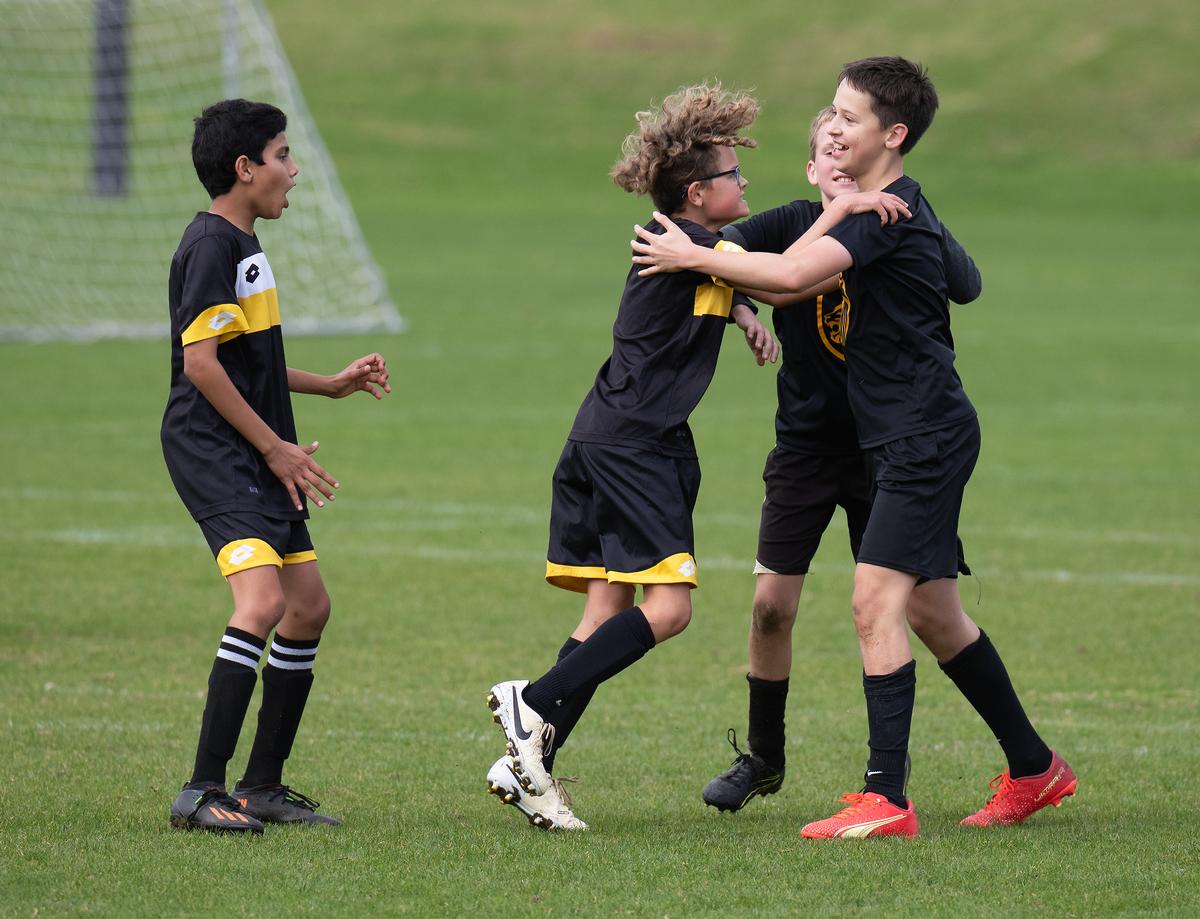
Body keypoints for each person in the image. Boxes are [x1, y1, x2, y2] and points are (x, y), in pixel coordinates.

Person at [632, 58, 1075, 838]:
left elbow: (798, 272)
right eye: (829, 114)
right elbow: (962, 283)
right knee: (936, 613)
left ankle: (886, 798)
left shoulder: (881, 212)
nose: (832, 127)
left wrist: (695, 257)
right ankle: (1035, 768)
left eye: (849, 117)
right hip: (896, 434)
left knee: (874, 600)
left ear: (893, 135)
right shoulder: (892, 205)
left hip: (919, 436)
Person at [484, 84, 906, 831]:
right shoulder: (683, 243)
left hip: (603, 435)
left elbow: (737, 280)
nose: (745, 184)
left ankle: (532, 767)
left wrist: (740, 312)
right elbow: (788, 273)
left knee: (606, 607)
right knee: (670, 609)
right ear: (698, 193)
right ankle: (535, 701)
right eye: (732, 175)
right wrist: (843, 208)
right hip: (637, 447)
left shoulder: (693, 246)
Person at [701, 105, 984, 815]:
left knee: (920, 610)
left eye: (846, 144)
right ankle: (764, 758)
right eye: (823, 151)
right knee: (770, 607)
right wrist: (740, 308)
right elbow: (726, 254)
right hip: (806, 448)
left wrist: (916, 209)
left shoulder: (892, 223)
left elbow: (968, 282)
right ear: (811, 171)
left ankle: (991, 770)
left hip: (887, 450)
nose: (836, 159)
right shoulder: (795, 223)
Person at [162, 99, 390, 833]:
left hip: (252, 444)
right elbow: (201, 367)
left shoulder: (244, 244)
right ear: (245, 167)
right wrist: (273, 446)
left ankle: (260, 786)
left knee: (308, 605)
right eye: (283, 156)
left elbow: (245, 359)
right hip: (215, 450)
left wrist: (330, 384)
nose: (293, 172)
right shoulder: (210, 248)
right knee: (259, 605)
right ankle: (201, 791)